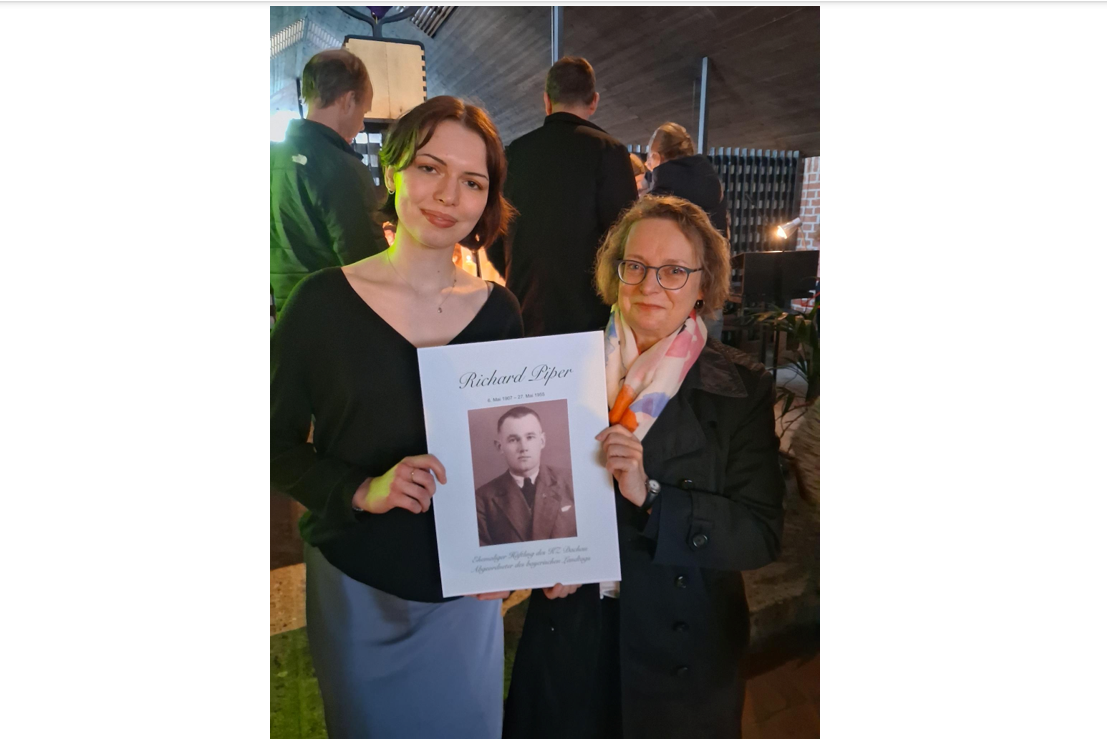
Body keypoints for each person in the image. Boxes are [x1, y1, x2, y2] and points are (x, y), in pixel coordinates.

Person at [271, 96, 521, 739]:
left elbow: (510, 445)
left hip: (465, 589)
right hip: (360, 583)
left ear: (487, 200)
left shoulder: (499, 312)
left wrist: (518, 554)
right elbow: (271, 444)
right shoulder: (321, 303)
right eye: (430, 168)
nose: (448, 196)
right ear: (393, 170)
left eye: (472, 182)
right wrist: (361, 488)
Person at [503, 195, 786, 739]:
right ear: (616, 273)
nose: (650, 285)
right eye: (635, 266)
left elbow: (759, 533)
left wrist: (652, 495)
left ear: (703, 285)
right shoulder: (557, 366)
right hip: (573, 626)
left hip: (680, 645)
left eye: (674, 271)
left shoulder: (742, 388)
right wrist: (533, 559)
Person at [486, 56, 638, 337]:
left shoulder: (515, 153)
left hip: (525, 313)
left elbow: (494, 235)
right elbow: (627, 241)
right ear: (594, 101)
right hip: (590, 319)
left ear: (547, 101)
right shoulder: (610, 152)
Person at [270, 48, 388, 315]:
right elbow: (371, 268)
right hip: (334, 319)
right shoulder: (342, 167)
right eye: (364, 111)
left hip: (286, 316)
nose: (361, 125)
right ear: (348, 101)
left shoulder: (271, 157)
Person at [475, 406, 577, 547]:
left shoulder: (572, 481)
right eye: (513, 440)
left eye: (530, 437)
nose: (523, 447)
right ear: (500, 447)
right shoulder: (482, 499)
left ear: (542, 441)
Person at [646, 122, 729, 238]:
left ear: (656, 157)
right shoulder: (715, 188)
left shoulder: (657, 199)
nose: (647, 164)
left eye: (649, 158)